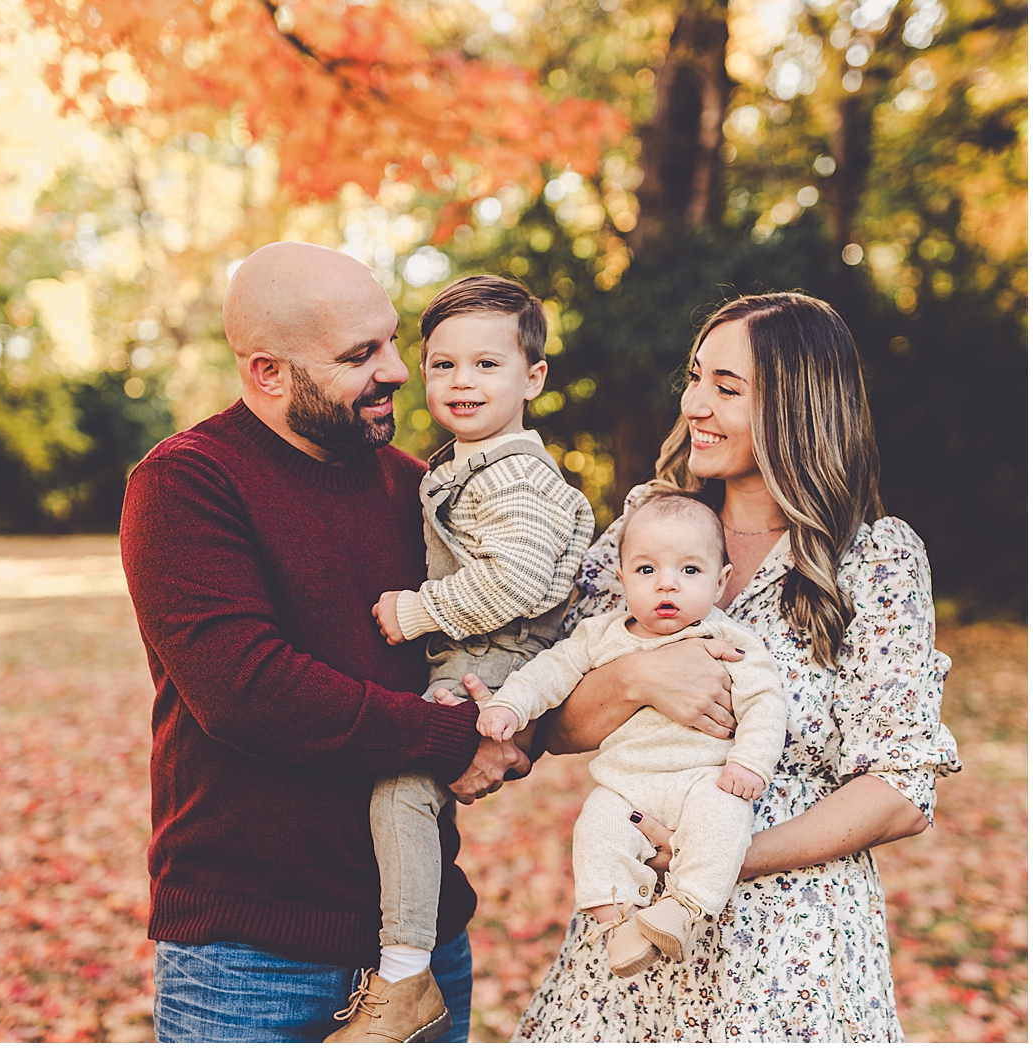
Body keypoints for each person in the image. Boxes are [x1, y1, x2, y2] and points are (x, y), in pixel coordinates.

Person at [512, 291, 962, 1042]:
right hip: (630, 965)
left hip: (792, 952)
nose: (695, 404)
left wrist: (718, 860)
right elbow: (554, 727)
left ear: (799, 408)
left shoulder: (874, 559)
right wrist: (637, 679)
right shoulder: (651, 531)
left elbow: (900, 792)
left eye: (727, 389)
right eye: (695, 378)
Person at [119, 242, 533, 1043]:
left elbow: (501, 640)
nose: (399, 372)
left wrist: (513, 723)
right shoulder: (187, 483)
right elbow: (248, 691)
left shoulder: (424, 489)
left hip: (423, 947)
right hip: (249, 958)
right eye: (360, 355)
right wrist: (451, 741)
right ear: (269, 372)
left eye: (389, 341)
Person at [326, 276, 594, 1042]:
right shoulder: (468, 464)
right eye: (442, 365)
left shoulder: (512, 473)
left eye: (486, 365)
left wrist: (415, 612)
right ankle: (406, 967)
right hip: (482, 656)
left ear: (532, 377)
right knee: (403, 791)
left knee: (402, 790)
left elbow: (514, 578)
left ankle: (405, 975)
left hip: (497, 660)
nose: (461, 383)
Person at [459, 491, 786, 978]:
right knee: (596, 829)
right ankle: (617, 928)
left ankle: (684, 909)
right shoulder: (602, 635)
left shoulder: (731, 640)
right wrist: (510, 703)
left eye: (689, 572)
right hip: (626, 785)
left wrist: (749, 763)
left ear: (721, 583)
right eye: (647, 570)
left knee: (722, 820)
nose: (666, 585)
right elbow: (550, 671)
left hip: (705, 777)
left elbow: (765, 701)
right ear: (622, 576)